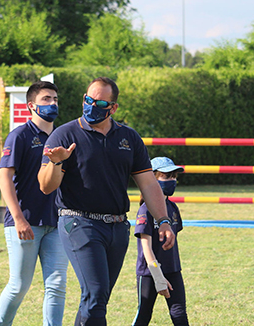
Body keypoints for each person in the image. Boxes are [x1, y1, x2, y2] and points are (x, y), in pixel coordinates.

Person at [38, 77, 175, 325]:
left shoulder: (129, 138)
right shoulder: (64, 134)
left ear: (113, 108)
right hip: (78, 223)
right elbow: (46, 186)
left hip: (118, 227)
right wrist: (57, 161)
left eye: (99, 102)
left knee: (96, 299)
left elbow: (148, 183)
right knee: (96, 294)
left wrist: (163, 220)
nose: (91, 106)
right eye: (88, 100)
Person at [0, 81, 68, 326]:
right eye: (46, 99)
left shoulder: (63, 136)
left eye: (55, 99)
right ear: (31, 105)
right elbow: (3, 176)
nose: (52, 104)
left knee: (57, 286)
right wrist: (18, 218)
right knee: (18, 286)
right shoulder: (19, 135)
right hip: (25, 223)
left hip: (57, 223)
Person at [132, 157, 189, 326]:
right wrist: (158, 277)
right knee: (144, 314)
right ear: (152, 178)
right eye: (166, 176)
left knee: (179, 314)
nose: (172, 181)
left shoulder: (172, 208)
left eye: (174, 176)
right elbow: (146, 247)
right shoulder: (145, 210)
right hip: (150, 273)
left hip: (173, 269)